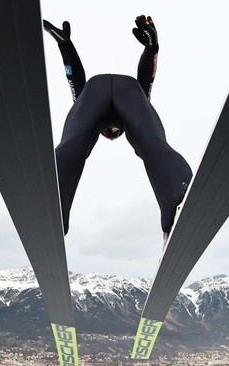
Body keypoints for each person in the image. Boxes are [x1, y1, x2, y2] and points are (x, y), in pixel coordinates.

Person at [43, 15, 193, 242]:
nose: (111, 131)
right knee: (152, 144)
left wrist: (65, 45)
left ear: (102, 129)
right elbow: (146, 81)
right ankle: (178, 194)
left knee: (73, 145)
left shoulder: (88, 103)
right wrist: (151, 49)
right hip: (128, 89)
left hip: (96, 88)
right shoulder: (134, 104)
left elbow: (75, 80)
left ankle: (51, 196)